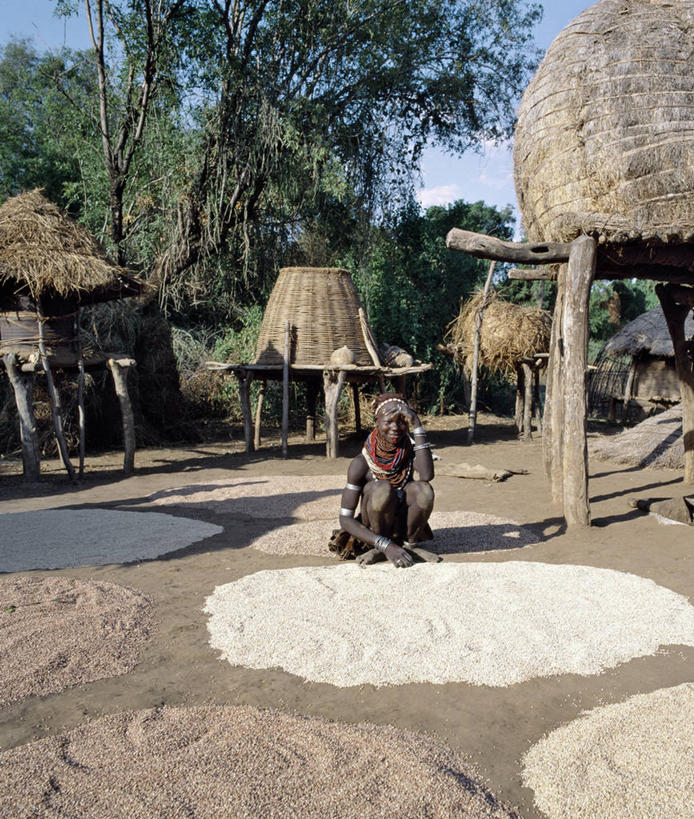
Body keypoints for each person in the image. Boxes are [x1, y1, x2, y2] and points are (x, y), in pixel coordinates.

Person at [335, 393, 436, 568]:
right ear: (377, 422)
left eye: (402, 421)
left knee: (424, 490)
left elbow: (427, 475)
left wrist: (417, 425)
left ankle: (410, 545)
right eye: (388, 421)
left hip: (402, 523)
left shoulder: (408, 452)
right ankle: (380, 548)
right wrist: (385, 545)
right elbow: (345, 519)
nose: (395, 427)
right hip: (374, 529)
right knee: (382, 488)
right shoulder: (361, 463)